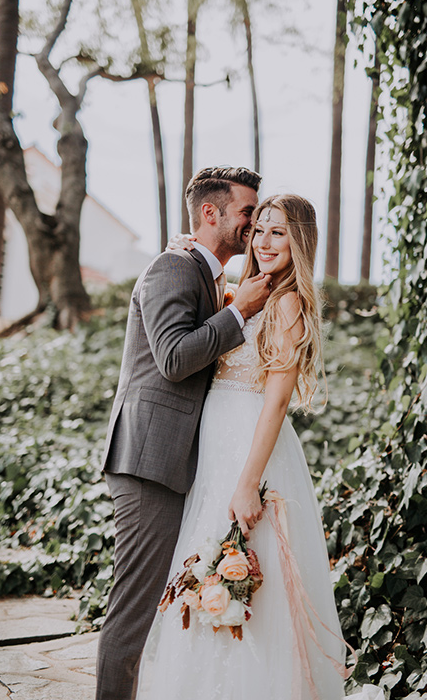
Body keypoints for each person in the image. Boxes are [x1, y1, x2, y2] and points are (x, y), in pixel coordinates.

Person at [136, 195, 384, 700]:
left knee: (252, 576)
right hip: (212, 448)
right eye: (261, 230)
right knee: (205, 570)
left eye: (279, 233)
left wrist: (249, 483)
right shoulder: (243, 292)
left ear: (299, 244)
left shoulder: (288, 303)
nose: (266, 242)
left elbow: (275, 404)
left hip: (251, 449)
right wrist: (186, 251)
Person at [95, 166, 272, 700]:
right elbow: (173, 359)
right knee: (134, 609)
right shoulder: (172, 268)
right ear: (209, 214)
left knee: (154, 604)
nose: (254, 223)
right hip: (149, 460)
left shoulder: (200, 271)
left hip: (174, 462)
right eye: (247, 212)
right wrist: (238, 310)